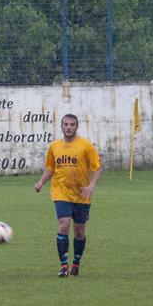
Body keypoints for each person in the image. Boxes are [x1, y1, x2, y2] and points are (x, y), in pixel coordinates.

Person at [35, 114, 102, 277]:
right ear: (61, 126)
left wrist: (92, 185)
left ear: (76, 126)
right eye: (66, 124)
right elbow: (50, 167)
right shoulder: (54, 147)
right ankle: (63, 266)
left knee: (79, 232)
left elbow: (97, 167)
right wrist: (41, 182)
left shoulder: (86, 145)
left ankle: (76, 263)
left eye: (72, 124)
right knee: (64, 225)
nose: (69, 127)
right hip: (61, 191)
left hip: (81, 194)